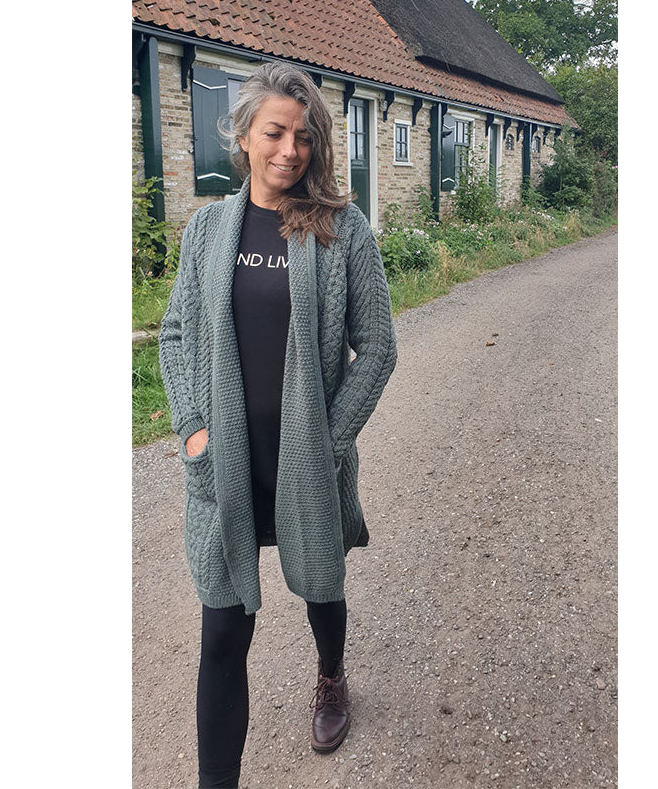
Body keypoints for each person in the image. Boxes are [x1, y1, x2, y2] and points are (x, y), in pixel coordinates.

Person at [158, 61, 397, 789]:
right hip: (224, 464)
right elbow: (175, 334)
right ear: (244, 137)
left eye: (304, 136)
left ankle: (330, 673)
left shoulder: (343, 231)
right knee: (221, 636)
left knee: (322, 587)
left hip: (307, 462)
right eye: (275, 133)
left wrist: (327, 442)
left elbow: (377, 348)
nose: (290, 150)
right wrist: (193, 429)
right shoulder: (208, 229)